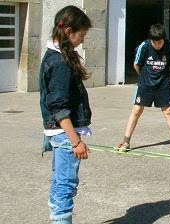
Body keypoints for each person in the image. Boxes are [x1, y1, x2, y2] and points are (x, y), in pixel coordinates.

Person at [39, 5, 92, 223]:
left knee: (61, 181)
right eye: (81, 35)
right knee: (66, 184)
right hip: (64, 134)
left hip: (60, 133)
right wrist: (76, 142)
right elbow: (58, 108)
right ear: (69, 31)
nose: (82, 40)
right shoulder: (59, 62)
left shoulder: (59, 55)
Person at [114, 24, 170, 153]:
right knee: (137, 110)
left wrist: (161, 76)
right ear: (150, 40)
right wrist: (145, 77)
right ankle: (126, 141)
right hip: (145, 84)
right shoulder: (144, 46)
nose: (157, 45)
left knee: (167, 111)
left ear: (164, 39)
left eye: (160, 42)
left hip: (162, 85)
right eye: (154, 42)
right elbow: (136, 64)